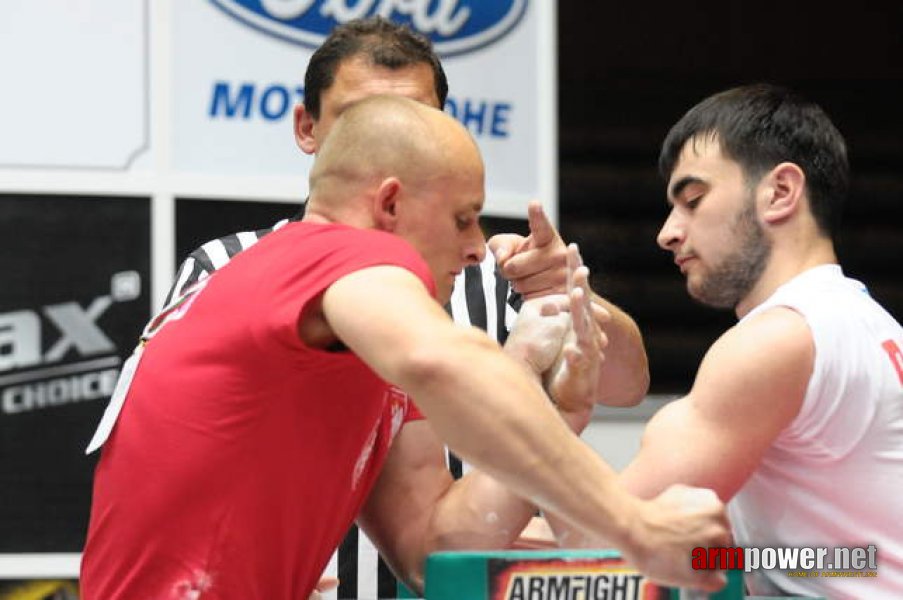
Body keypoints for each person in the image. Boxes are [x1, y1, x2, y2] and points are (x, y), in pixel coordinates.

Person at [80, 95, 729, 599]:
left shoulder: (348, 343)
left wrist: (556, 411)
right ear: (388, 204)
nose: (477, 246)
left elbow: (434, 546)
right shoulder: (340, 253)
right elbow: (446, 362)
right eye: (462, 218)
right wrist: (633, 525)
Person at [152, 16, 649, 599]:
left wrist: (572, 297)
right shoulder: (233, 266)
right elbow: (434, 360)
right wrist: (626, 516)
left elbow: (627, 384)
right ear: (308, 129)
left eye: (421, 118)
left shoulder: (486, 268)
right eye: (359, 120)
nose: (397, 144)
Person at [553, 84, 903, 598]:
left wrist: (558, 408)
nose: (667, 232)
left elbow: (597, 542)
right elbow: (847, 558)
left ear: (781, 192)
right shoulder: (871, 324)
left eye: (693, 200)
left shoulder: (778, 340)